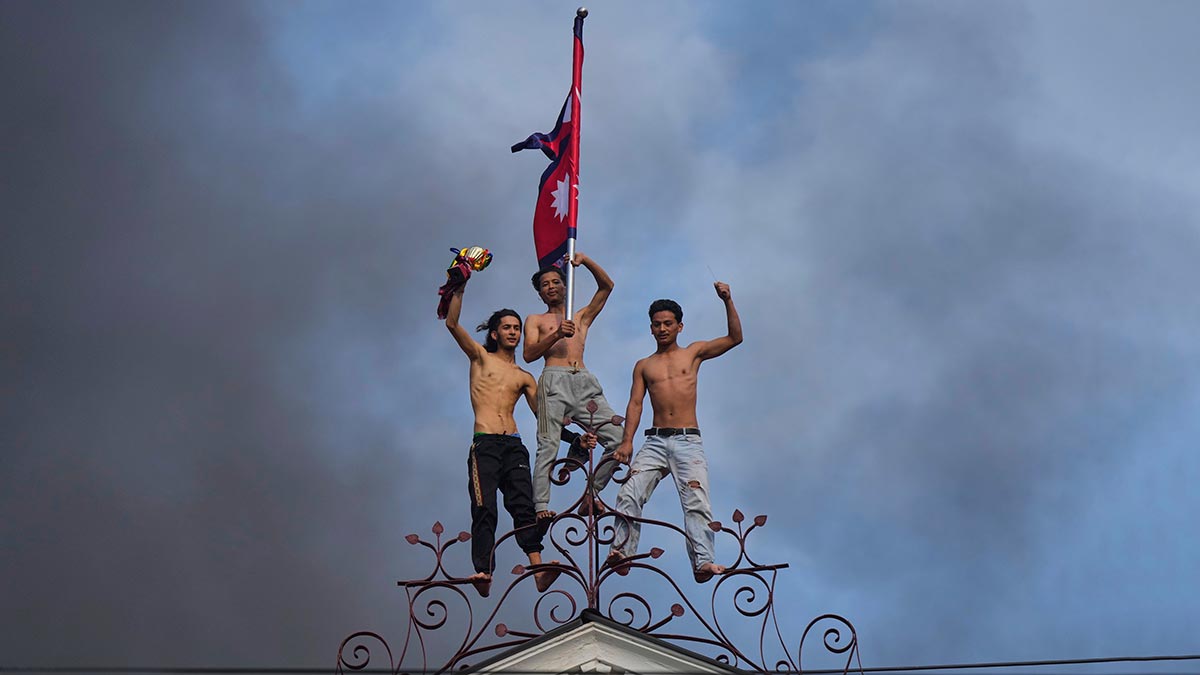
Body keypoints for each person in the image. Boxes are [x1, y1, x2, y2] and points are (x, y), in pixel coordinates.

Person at [443, 281, 594, 597]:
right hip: (485, 444)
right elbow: (452, 324)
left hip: (513, 445)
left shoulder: (524, 377)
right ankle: (484, 571)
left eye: (516, 328)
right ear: (495, 333)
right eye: (507, 328)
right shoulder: (480, 358)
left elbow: (545, 416)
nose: (513, 332)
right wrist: (461, 286)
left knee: (524, 507)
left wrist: (574, 438)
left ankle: (539, 572)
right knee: (486, 508)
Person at [607, 282, 743, 583]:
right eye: (656, 325)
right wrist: (627, 441)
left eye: (668, 324)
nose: (662, 329)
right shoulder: (644, 365)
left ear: (679, 326)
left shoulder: (693, 353)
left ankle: (704, 561)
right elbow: (635, 403)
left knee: (696, 500)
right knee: (629, 491)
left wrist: (727, 300)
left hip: (687, 440)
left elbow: (735, 338)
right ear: (651, 329)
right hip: (654, 440)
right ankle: (622, 551)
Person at [524, 253, 624, 522]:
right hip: (553, 379)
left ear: (565, 287)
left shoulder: (580, 318)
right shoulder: (535, 320)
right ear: (540, 294)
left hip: (583, 380)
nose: (551, 287)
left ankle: (592, 493)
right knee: (548, 444)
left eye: (556, 282)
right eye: (545, 285)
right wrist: (556, 334)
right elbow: (529, 354)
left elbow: (607, 287)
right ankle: (541, 505)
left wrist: (585, 260)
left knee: (618, 438)